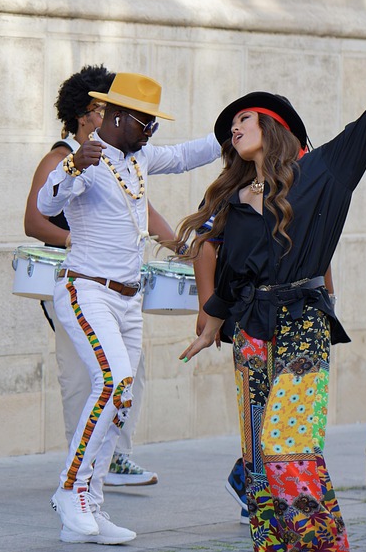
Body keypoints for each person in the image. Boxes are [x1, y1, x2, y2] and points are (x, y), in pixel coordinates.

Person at [178, 62, 366, 551]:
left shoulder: (323, 171)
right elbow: (235, 275)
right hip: (251, 334)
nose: (235, 128)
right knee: (260, 461)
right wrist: (210, 326)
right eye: (231, 128)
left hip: (304, 322)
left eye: (244, 119)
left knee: (289, 445)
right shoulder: (237, 200)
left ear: (272, 126)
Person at [37, 72, 221, 544]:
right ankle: (70, 489)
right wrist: (73, 167)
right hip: (86, 291)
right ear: (118, 116)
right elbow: (44, 203)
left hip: (127, 298)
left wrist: (232, 131)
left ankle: (91, 509)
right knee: (113, 382)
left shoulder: (138, 158)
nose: (152, 131)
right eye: (147, 121)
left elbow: (185, 156)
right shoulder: (88, 158)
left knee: (123, 398)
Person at [25, 64, 173, 487]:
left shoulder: (124, 160)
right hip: (83, 283)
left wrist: (178, 243)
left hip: (118, 287)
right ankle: (80, 466)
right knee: (81, 376)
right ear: (86, 113)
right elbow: (36, 219)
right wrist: (79, 242)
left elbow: (143, 210)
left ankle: (114, 458)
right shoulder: (60, 158)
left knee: (128, 374)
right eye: (104, 107)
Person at [190, 142, 335, 528]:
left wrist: (327, 301)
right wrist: (210, 312)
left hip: (301, 319)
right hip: (251, 318)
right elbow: (206, 245)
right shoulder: (240, 192)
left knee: (289, 427)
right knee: (262, 422)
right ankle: (253, 490)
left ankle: (294, 515)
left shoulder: (306, 178)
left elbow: (319, 252)